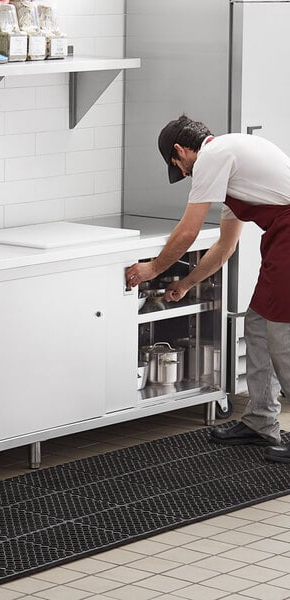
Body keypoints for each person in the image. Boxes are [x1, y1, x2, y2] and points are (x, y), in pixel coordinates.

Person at [125, 115, 290, 463]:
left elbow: (187, 232)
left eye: (178, 165)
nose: (183, 173)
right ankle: (261, 422)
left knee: (283, 338)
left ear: (182, 150)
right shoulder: (230, 168)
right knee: (258, 326)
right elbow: (225, 246)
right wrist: (186, 283)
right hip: (281, 241)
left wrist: (152, 268)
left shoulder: (213, 157)